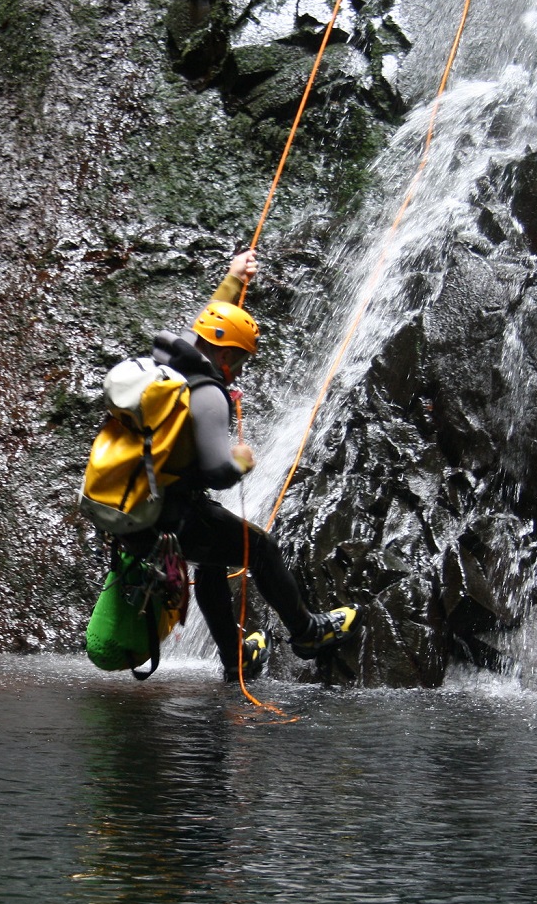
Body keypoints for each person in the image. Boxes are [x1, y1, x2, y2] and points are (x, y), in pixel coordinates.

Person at [121, 248, 362, 681]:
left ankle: (235, 657)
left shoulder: (169, 362)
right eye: (240, 360)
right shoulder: (209, 392)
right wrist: (241, 462)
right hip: (172, 516)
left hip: (137, 510)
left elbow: (213, 323)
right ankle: (307, 632)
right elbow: (217, 471)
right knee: (260, 548)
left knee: (213, 560)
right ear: (227, 357)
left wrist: (233, 280)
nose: (238, 369)